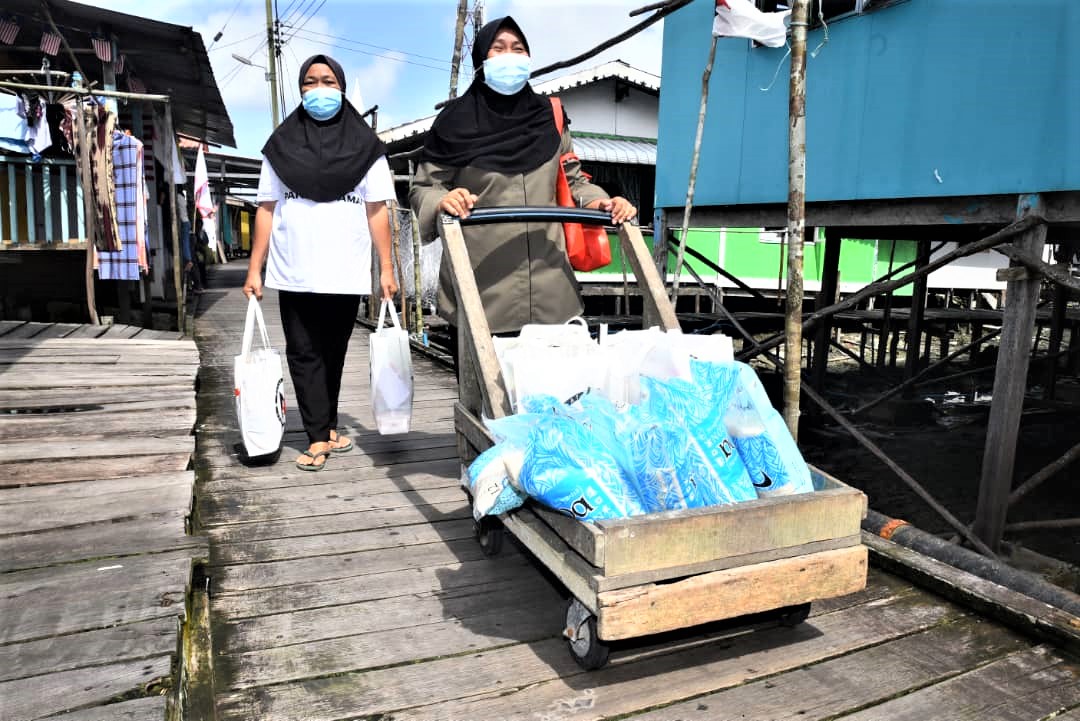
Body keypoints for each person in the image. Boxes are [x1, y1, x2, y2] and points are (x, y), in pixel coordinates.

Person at [409, 16, 636, 347]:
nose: (510, 57)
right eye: (499, 49)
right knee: (484, 381)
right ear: (481, 61)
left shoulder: (550, 117)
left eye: (518, 49)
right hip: (481, 295)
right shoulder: (454, 123)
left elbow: (573, 181)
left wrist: (602, 201)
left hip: (553, 295)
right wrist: (443, 200)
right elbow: (424, 187)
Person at [244, 54, 398, 471]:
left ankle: (327, 425)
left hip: (345, 270)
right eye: (309, 82)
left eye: (328, 81)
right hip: (293, 270)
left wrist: (386, 267)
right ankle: (316, 437)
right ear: (300, 90)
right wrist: (255, 267)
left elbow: (377, 210)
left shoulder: (367, 148)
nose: (319, 90)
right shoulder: (280, 146)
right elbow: (266, 207)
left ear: (342, 87)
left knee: (334, 352)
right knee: (303, 351)